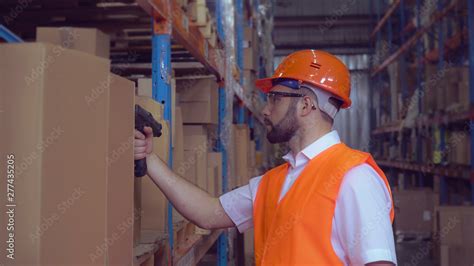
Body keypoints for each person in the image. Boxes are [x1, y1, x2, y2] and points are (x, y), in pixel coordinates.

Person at [134, 50, 397, 265]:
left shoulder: (355, 177)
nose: (265, 110)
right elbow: (209, 213)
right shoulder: (273, 183)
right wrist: (150, 158)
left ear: (306, 105)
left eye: (275, 98)